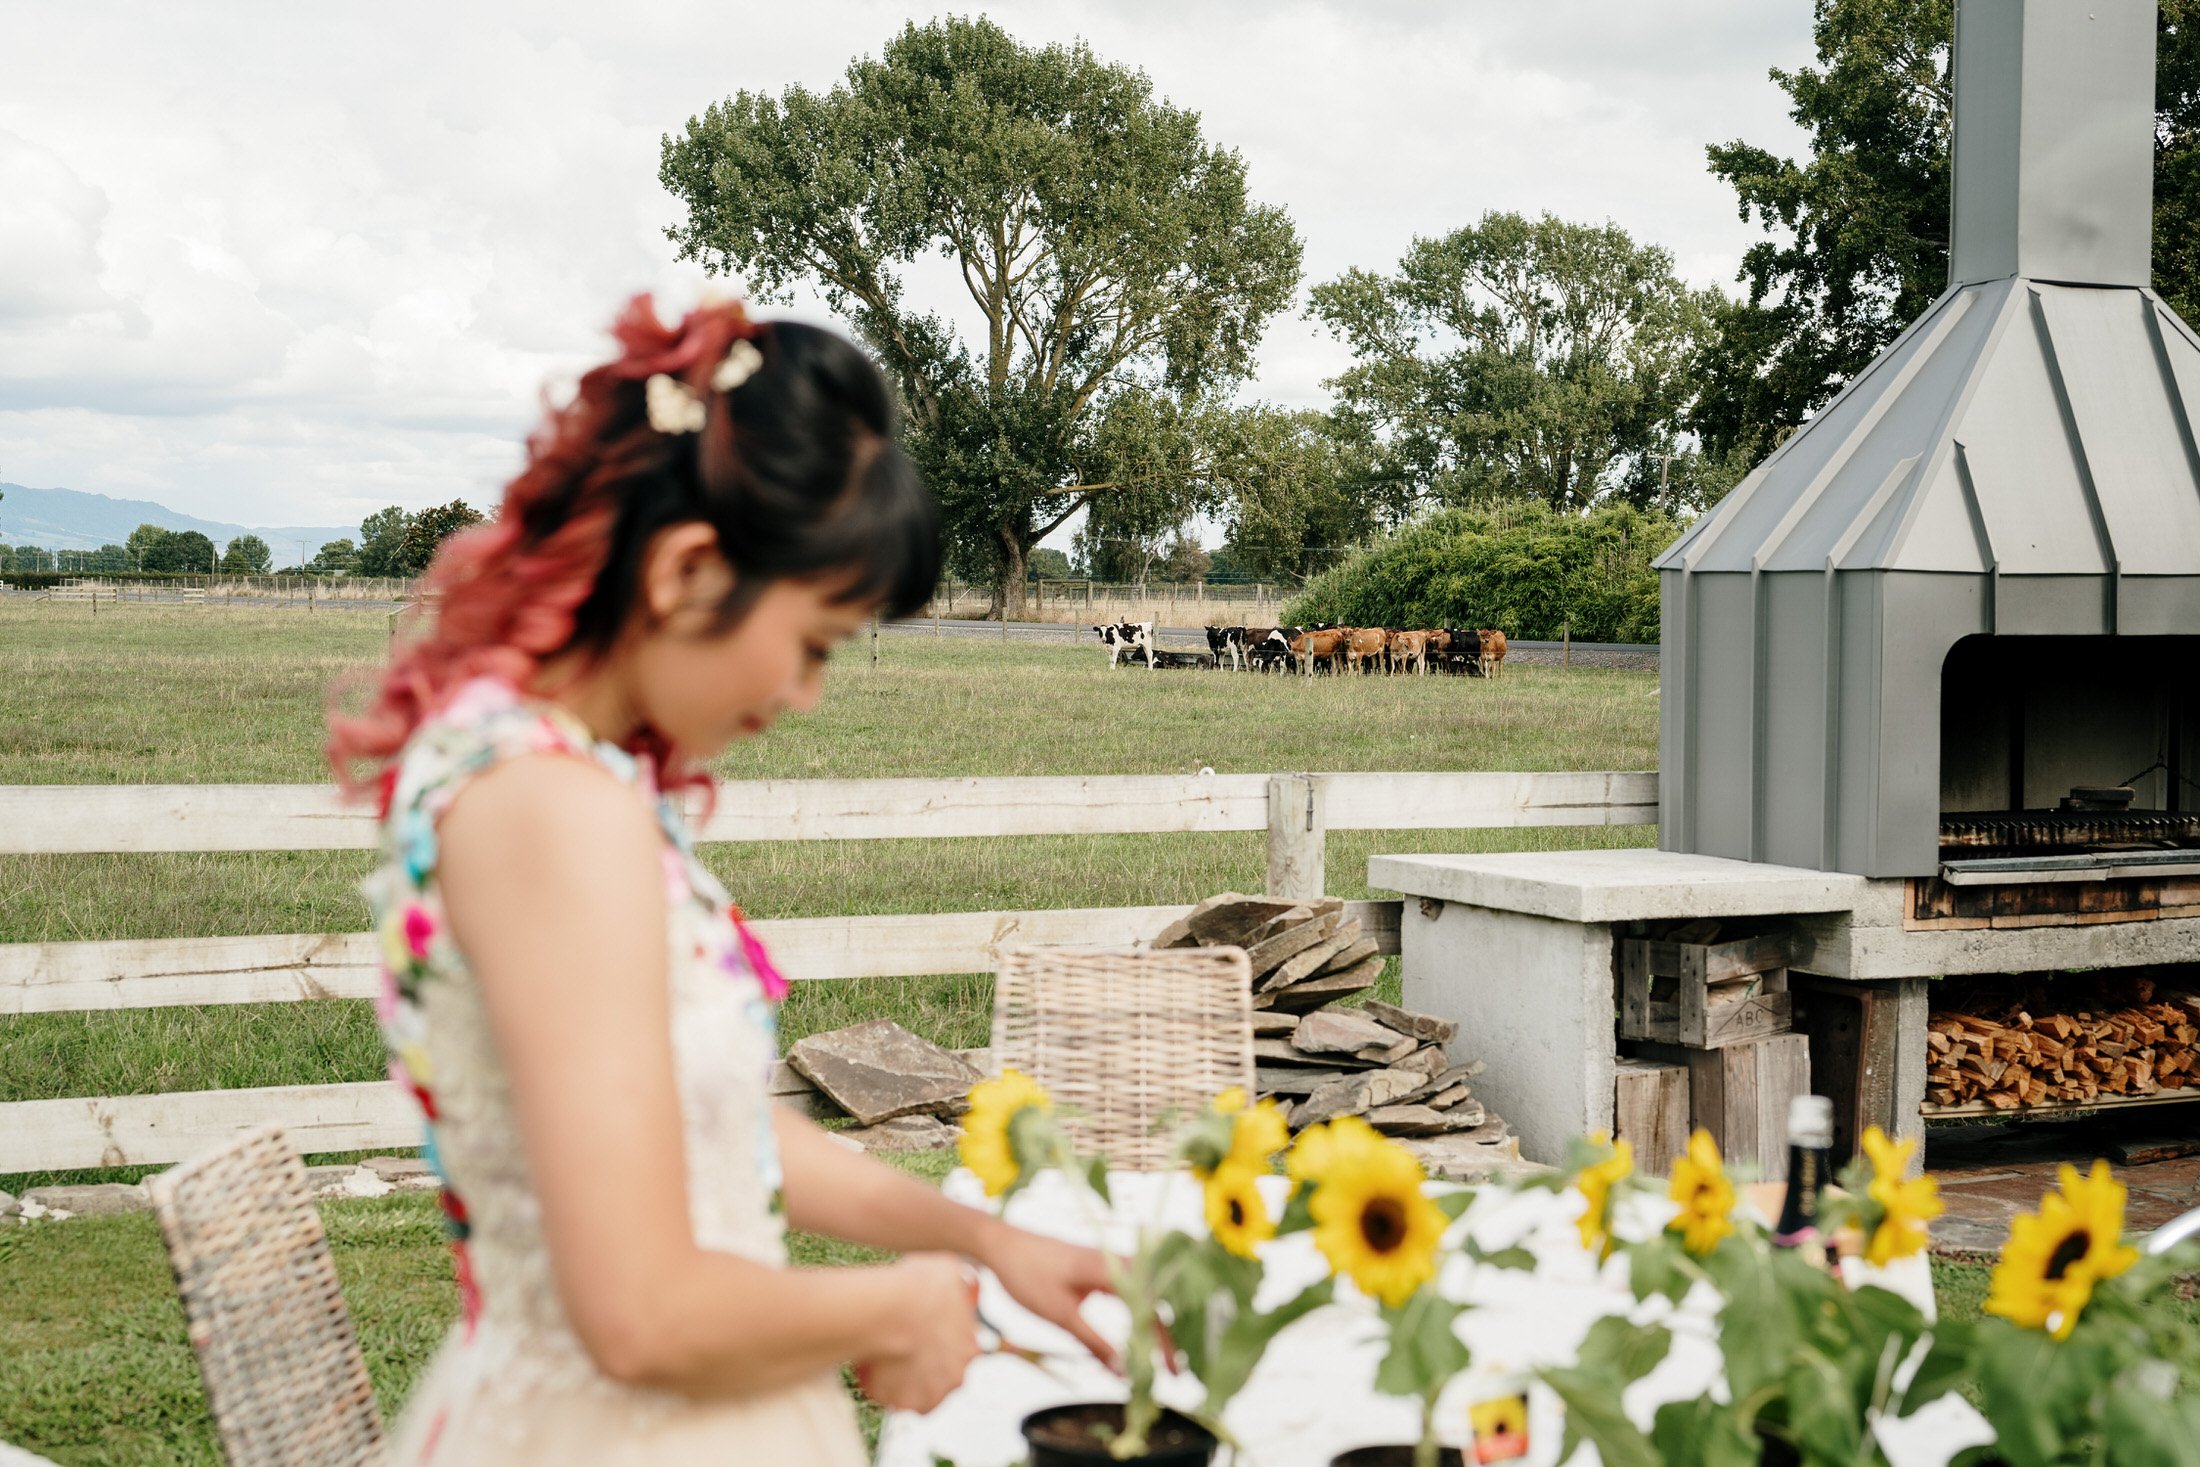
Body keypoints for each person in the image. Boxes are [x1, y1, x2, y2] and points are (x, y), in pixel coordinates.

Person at [329, 296, 1117, 1464]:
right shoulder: (554, 813)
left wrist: (975, 1238)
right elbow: (643, 1316)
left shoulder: (532, 765)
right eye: (815, 641)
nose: (804, 695)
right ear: (691, 569)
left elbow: (707, 1135)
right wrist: (892, 1307)